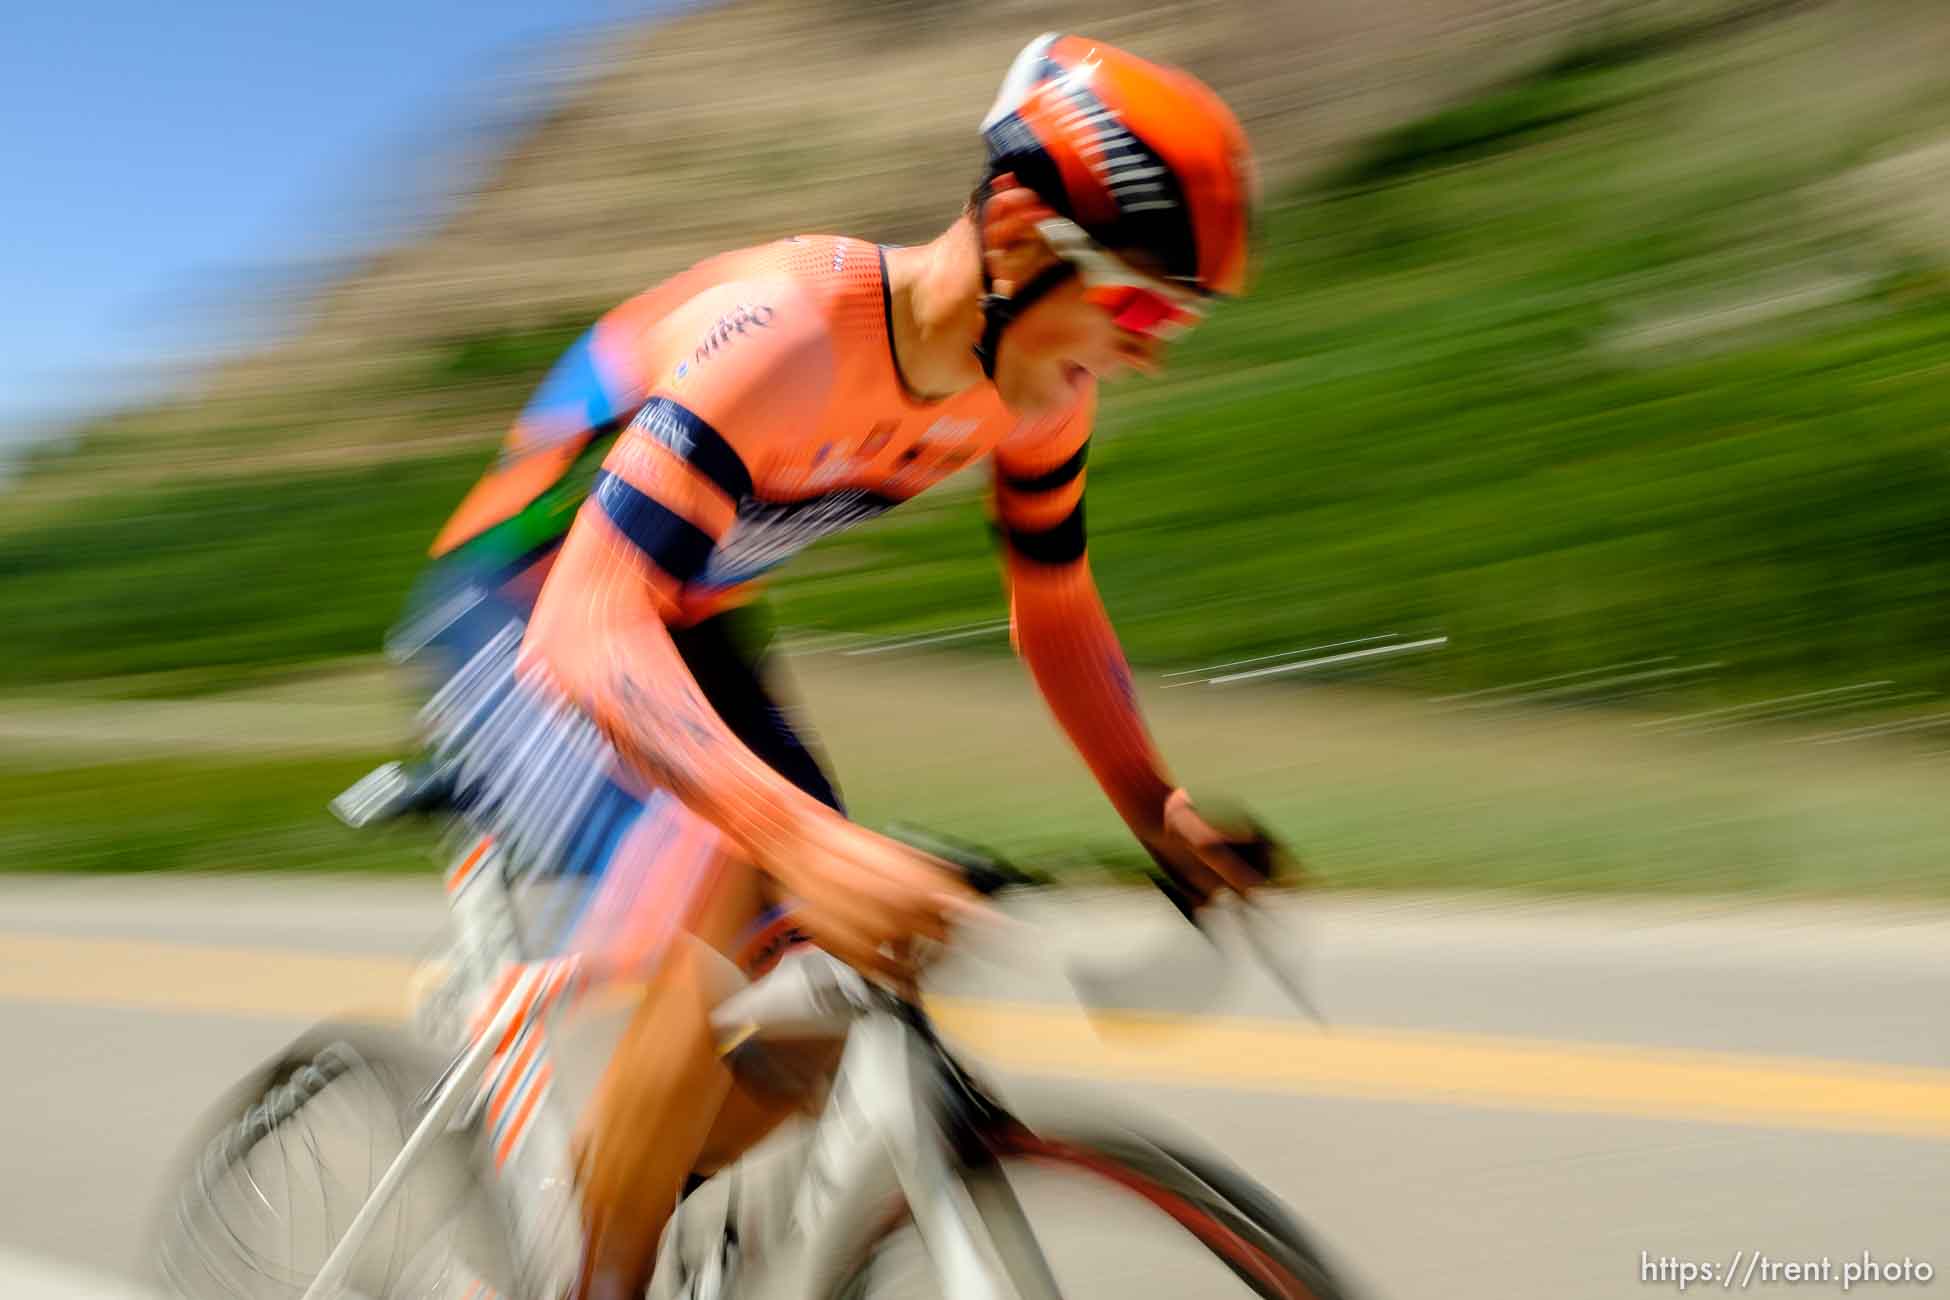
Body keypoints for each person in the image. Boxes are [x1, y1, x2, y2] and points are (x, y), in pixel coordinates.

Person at [395, 32, 1274, 1298]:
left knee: (816, 998)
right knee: (735, 849)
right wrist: (797, 840)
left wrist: (1160, 806)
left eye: (1174, 318)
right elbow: (585, 618)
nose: (1149, 347)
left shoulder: (1042, 391)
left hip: (678, 617)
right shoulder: (789, 333)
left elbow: (1058, 605)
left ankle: (616, 1202)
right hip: (515, 604)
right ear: (1021, 231)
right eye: (1138, 301)